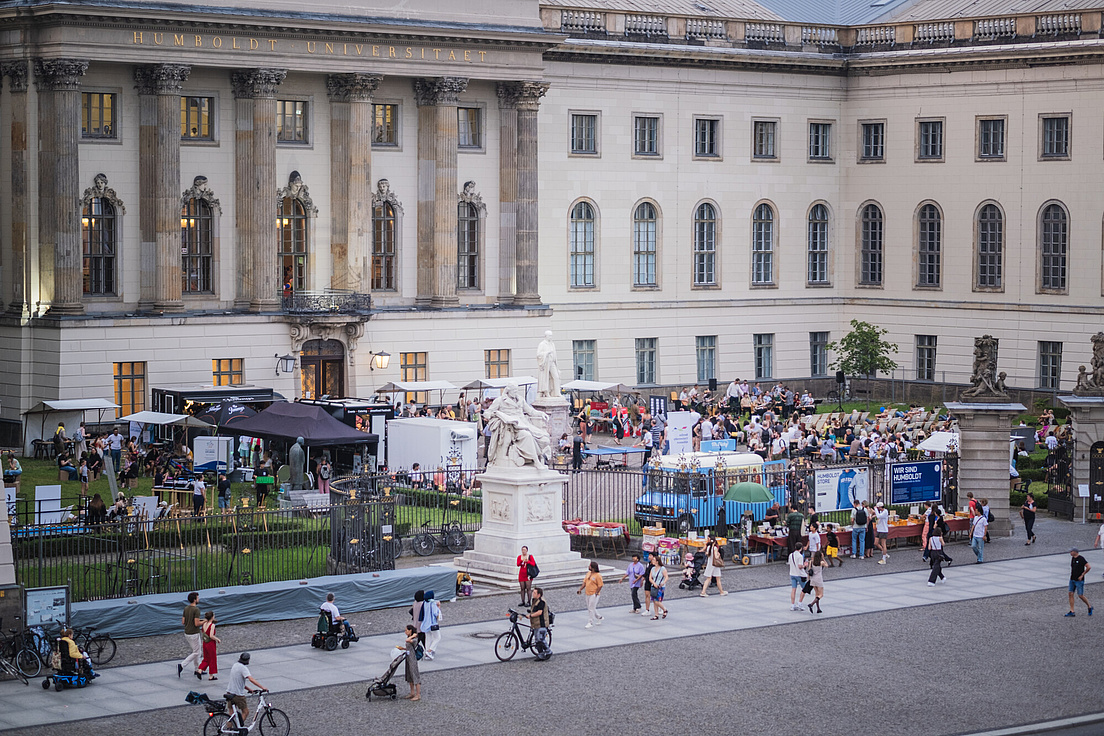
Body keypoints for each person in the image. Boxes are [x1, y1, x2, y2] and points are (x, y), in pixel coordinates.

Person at [227, 652, 267, 725]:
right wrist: (262, 687)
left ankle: (229, 730)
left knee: (231, 715)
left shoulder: (235, 665)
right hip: (238, 695)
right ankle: (238, 728)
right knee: (245, 712)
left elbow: (238, 682)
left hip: (230, 692)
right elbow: (251, 679)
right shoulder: (243, 668)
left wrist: (249, 689)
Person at [178, 592, 203, 678]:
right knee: (196, 652)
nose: (198, 599)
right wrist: (205, 621)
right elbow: (197, 623)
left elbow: (183, 622)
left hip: (187, 632)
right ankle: (182, 665)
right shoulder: (196, 610)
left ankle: (197, 669)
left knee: (197, 651)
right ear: (195, 599)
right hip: (194, 633)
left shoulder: (186, 608)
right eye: (198, 598)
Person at [577, 560, 604, 628]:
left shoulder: (598, 575)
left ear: (593, 567)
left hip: (593, 594)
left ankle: (590, 622)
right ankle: (599, 617)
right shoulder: (588, 573)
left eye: (590, 566)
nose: (588, 567)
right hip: (587, 593)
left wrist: (596, 593)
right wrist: (580, 589)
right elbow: (584, 583)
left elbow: (600, 585)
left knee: (591, 608)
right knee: (591, 607)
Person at [1066, 548, 1092, 617]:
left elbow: (1088, 567)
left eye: (1071, 551)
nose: (1070, 553)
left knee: (1080, 595)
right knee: (1070, 593)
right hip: (1072, 579)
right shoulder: (1073, 558)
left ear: (1075, 552)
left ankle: (1089, 606)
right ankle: (1072, 611)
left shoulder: (1081, 559)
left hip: (1079, 580)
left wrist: (1082, 575)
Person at [527, 587, 551, 660]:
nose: (532, 594)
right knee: (537, 640)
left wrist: (531, 615)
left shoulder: (541, 601)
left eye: (534, 593)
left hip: (541, 623)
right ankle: (541, 654)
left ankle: (548, 651)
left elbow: (539, 612)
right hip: (536, 624)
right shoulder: (535, 600)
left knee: (540, 639)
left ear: (539, 594)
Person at [197, 611, 220, 681]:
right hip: (210, 643)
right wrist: (217, 639)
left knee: (206, 658)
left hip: (205, 643)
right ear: (212, 617)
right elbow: (211, 635)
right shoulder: (212, 625)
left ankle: (200, 670)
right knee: (212, 658)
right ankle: (211, 675)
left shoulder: (204, 624)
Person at [401, 624, 422, 700]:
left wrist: (413, 636)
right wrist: (403, 648)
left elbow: (408, 641)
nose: (405, 632)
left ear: (410, 630)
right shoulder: (409, 637)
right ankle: (412, 692)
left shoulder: (414, 638)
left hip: (412, 659)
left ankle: (418, 694)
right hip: (408, 658)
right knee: (409, 675)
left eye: (406, 630)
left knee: (415, 675)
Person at [788, 541, 808, 611]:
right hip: (799, 574)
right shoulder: (800, 556)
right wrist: (805, 565)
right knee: (805, 589)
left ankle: (792, 605)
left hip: (792, 573)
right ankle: (800, 603)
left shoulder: (791, 555)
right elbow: (800, 566)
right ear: (801, 548)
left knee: (793, 589)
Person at [420, 590, 441, 660]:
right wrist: (438, 607)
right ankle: (430, 650)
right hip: (432, 623)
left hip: (425, 623)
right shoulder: (432, 603)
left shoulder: (425, 603)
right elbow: (436, 613)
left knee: (428, 638)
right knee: (437, 637)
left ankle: (427, 652)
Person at [648, 553, 668, 620]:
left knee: (657, 600)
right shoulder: (652, 569)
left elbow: (666, 577)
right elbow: (650, 578)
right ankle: (656, 615)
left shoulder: (662, 569)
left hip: (660, 586)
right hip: (654, 585)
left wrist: (663, 583)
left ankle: (664, 609)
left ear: (657, 561)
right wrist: (653, 583)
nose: (652, 561)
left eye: (654, 560)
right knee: (654, 600)